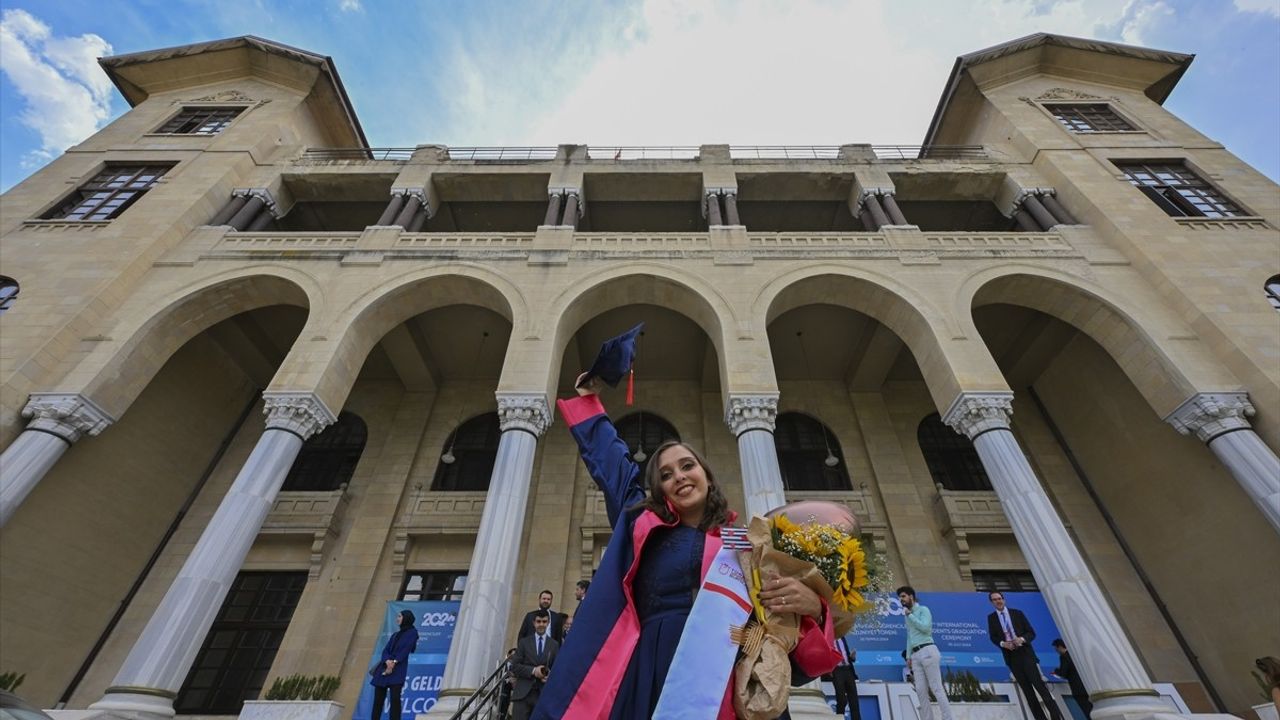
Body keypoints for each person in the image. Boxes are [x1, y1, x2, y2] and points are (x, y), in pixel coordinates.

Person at [531, 356, 840, 719]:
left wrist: (813, 607)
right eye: (665, 474)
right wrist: (588, 401)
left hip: (727, 667)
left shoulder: (744, 543)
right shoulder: (644, 525)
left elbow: (773, 622)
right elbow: (612, 466)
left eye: (687, 465)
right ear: (659, 489)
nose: (678, 476)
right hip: (656, 666)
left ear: (707, 475)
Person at [987, 591, 1063, 720]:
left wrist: (1021, 639)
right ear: (991, 602)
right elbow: (993, 637)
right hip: (1011, 657)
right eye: (995, 599)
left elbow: (1031, 633)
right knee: (1028, 692)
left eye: (1000, 598)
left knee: (1040, 687)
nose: (998, 601)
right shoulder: (991, 618)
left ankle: (1056, 717)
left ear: (1004, 600)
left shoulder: (1017, 613)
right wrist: (1003, 644)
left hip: (1026, 654)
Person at [898, 586, 954, 720]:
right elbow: (909, 636)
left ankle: (948, 718)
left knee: (936, 688)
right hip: (915, 655)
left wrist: (910, 615)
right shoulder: (908, 615)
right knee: (921, 691)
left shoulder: (923, 610)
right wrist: (908, 656)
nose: (901, 600)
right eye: (900, 597)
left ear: (911, 596)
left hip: (928, 650)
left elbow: (925, 629)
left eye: (903, 596)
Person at [369, 609, 419, 720]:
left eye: (400, 616)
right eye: (397, 616)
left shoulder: (413, 633)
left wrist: (394, 662)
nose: (397, 618)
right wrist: (387, 661)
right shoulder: (395, 635)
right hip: (384, 669)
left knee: (395, 699)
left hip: (398, 670)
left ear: (406, 618)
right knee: (378, 700)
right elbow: (385, 650)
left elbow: (406, 650)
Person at [511, 610, 559, 720]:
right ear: (534, 623)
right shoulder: (524, 642)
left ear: (548, 623)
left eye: (544, 621)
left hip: (543, 694)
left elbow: (557, 669)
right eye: (538, 621)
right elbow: (515, 666)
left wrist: (549, 676)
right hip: (523, 695)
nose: (541, 624)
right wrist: (533, 671)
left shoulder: (554, 645)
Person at [1052, 639, 1092, 719]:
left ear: (1060, 647)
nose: (1056, 651)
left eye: (1056, 649)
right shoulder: (1074, 653)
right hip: (1087, 686)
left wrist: (1056, 671)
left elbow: (1063, 672)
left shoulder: (1064, 657)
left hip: (1077, 689)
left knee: (1087, 711)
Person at [831, 636, 860, 720]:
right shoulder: (827, 639)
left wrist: (852, 657)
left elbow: (848, 657)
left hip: (848, 670)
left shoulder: (842, 638)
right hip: (837, 671)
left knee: (854, 699)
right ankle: (839, 717)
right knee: (841, 699)